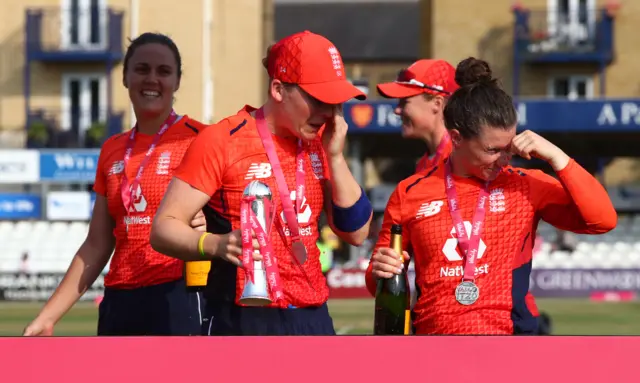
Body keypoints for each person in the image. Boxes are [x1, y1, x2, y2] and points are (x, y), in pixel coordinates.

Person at [365, 57, 617, 335]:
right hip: (434, 346)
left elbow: (602, 220)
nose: (503, 159)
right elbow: (377, 283)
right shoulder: (410, 192)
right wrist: (380, 269)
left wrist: (558, 158)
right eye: (492, 150)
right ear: (457, 138)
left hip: (512, 344)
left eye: (507, 147)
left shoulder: (526, 185)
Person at [150, 30, 373, 336]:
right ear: (279, 89)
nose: (328, 113)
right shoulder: (221, 140)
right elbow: (164, 226)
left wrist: (335, 157)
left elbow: (357, 233)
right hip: (242, 318)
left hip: (312, 318)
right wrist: (214, 244)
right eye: (319, 99)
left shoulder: (322, 141)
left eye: (336, 102)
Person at [23, 32, 208, 337]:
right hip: (119, 299)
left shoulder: (200, 139)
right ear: (124, 77)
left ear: (177, 82)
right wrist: (47, 317)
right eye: (141, 69)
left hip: (179, 295)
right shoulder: (112, 149)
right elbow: (97, 244)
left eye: (163, 72)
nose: (152, 79)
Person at [376, 58, 551, 331]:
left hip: (505, 321)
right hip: (446, 323)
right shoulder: (423, 170)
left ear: (437, 103)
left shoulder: (472, 157)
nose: (397, 110)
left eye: (405, 100)